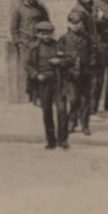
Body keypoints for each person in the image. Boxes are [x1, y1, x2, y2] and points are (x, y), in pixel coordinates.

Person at [25, 20, 72, 149]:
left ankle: (63, 140)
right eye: (43, 34)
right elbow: (28, 65)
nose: (46, 36)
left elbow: (69, 59)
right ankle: (51, 141)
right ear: (38, 34)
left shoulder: (58, 46)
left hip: (58, 82)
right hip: (43, 83)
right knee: (47, 112)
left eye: (49, 34)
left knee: (62, 111)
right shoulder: (34, 48)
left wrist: (59, 62)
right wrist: (36, 75)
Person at [8, 0, 51, 104]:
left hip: (38, 42)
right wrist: (18, 42)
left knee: (40, 67)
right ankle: (31, 94)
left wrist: (45, 37)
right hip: (25, 44)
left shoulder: (40, 9)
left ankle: (38, 96)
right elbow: (14, 28)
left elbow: (47, 23)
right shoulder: (19, 10)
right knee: (29, 68)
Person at [62, 3, 98, 135]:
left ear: (82, 24)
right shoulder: (64, 38)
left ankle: (85, 125)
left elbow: (93, 52)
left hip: (85, 73)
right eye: (72, 23)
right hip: (71, 74)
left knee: (85, 100)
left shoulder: (88, 38)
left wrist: (91, 65)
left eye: (78, 23)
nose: (75, 26)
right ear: (68, 24)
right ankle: (72, 122)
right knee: (73, 99)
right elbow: (60, 55)